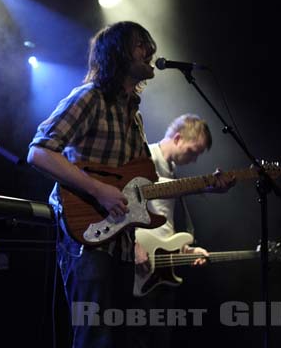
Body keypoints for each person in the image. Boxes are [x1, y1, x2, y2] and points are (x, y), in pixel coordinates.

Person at [27, 21, 158, 348]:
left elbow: (138, 183)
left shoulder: (134, 115)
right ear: (118, 53)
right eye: (140, 45)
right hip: (86, 236)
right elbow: (39, 152)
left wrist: (205, 186)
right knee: (94, 338)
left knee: (119, 339)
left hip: (122, 241)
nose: (150, 52)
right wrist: (98, 190)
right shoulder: (90, 97)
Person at [132, 114, 234, 348]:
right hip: (144, 263)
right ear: (177, 138)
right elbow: (129, 206)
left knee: (161, 339)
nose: (194, 159)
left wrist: (186, 248)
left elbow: (164, 220)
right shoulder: (146, 156)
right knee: (139, 338)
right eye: (192, 151)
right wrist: (134, 245)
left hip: (165, 268)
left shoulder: (172, 169)